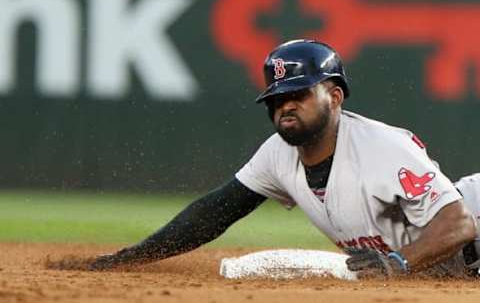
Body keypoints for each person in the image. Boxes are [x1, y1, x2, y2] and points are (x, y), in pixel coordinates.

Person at [89, 39, 480, 278]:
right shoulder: (278, 154)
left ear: (335, 97)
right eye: (276, 98)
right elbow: (215, 212)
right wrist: (133, 256)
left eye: (299, 95)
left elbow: (459, 225)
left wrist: (396, 263)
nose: (286, 105)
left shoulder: (381, 147)